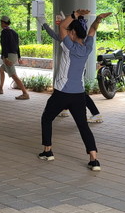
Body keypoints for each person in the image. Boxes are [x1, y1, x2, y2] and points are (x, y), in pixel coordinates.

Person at [39, 9, 111, 171]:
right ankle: (94, 160)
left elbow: (62, 27)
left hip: (62, 93)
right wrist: (98, 19)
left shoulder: (68, 47)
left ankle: (47, 151)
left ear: (72, 33)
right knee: (83, 126)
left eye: (70, 31)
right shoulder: (87, 47)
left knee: (46, 118)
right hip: (78, 94)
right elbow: (92, 30)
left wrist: (74, 15)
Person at [37, 13, 103, 123]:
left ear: (73, 31)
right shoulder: (85, 45)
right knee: (77, 94)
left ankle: (95, 113)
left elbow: (56, 32)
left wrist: (44, 23)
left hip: (71, 80)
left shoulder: (69, 44)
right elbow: (92, 30)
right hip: (78, 75)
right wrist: (97, 20)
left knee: (74, 94)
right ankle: (68, 108)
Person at [0, 15, 29, 100]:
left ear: (3, 23)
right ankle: (0, 89)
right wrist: (19, 57)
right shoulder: (14, 32)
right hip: (14, 55)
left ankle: (25, 93)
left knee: (14, 75)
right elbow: (17, 46)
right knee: (1, 69)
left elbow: (4, 46)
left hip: (8, 56)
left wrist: (5, 58)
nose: (0, 24)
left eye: (1, 22)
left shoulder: (4, 32)